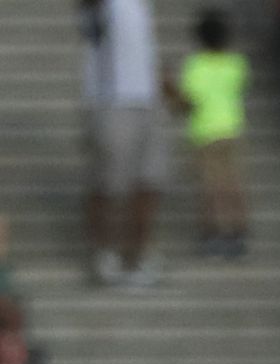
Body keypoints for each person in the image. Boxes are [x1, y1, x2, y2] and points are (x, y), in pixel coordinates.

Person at [79, 0, 170, 286]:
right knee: (108, 183)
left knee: (149, 181)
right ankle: (104, 252)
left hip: (148, 101)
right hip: (112, 100)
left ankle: (138, 254)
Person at [170, 6, 250, 257]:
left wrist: (171, 92)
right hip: (231, 129)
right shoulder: (237, 63)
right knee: (232, 183)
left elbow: (189, 102)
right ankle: (238, 230)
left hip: (205, 133)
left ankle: (213, 232)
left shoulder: (196, 66)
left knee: (210, 186)